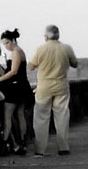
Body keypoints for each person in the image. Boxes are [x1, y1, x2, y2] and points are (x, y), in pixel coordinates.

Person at [28, 24, 78, 156]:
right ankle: (63, 147)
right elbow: (75, 63)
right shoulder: (66, 48)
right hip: (61, 86)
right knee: (62, 116)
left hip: (44, 87)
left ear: (45, 36)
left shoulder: (41, 49)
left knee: (41, 118)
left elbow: (31, 66)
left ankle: (40, 149)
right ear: (58, 35)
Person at [0, 28, 30, 155]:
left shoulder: (16, 52)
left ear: (13, 40)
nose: (5, 46)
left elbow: (14, 72)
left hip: (16, 87)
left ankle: (5, 144)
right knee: (20, 115)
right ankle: (22, 143)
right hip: (22, 86)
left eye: (6, 43)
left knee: (7, 116)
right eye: (3, 44)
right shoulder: (18, 51)